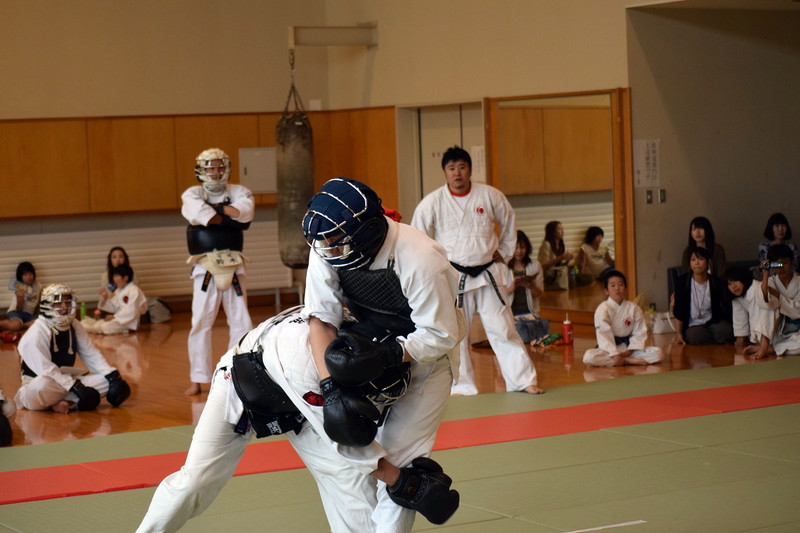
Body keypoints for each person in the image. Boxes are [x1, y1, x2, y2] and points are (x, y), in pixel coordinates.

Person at [136, 308, 460, 533]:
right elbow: (344, 439)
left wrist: (402, 472)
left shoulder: (376, 340)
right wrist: (404, 481)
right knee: (196, 481)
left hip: (299, 408)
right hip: (245, 385)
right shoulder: (306, 362)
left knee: (358, 500)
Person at [302, 176, 465, 530]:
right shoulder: (325, 247)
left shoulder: (420, 258)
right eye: (323, 243)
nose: (328, 249)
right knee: (357, 460)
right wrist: (330, 387)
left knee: (399, 465)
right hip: (366, 349)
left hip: (427, 361)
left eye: (335, 243)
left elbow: (441, 334)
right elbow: (321, 319)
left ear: (365, 233)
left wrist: (388, 355)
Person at [411, 146, 543, 395]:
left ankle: (523, 380)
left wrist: (504, 251)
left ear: (470, 169)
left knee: (503, 329)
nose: (457, 173)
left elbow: (509, 220)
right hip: (454, 275)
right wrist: (432, 263)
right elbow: (417, 234)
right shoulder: (433, 202)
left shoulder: (490, 196)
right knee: (457, 333)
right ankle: (461, 386)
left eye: (462, 167)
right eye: (452, 168)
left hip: (488, 273)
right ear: (445, 173)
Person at [182, 148, 254, 396]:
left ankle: (239, 371)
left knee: (240, 319)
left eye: (220, 167)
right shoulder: (193, 193)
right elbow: (202, 215)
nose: (216, 172)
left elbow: (245, 213)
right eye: (210, 168)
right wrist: (229, 216)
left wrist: (217, 213)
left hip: (234, 263)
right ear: (201, 171)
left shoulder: (239, 191)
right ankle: (198, 378)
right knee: (201, 320)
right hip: (205, 265)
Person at [13, 283, 131, 413]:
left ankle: (62, 403)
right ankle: (69, 401)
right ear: (47, 305)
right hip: (37, 388)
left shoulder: (74, 325)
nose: (64, 307)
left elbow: (90, 353)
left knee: (104, 381)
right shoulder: (36, 332)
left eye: (68, 302)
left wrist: (112, 376)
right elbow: (46, 371)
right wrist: (76, 387)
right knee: (42, 385)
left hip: (65, 384)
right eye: (58, 303)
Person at [583, 270, 664, 367]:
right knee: (589, 357)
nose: (617, 288)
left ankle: (624, 360)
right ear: (606, 291)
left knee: (658, 353)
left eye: (620, 285)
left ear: (625, 288)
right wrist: (614, 353)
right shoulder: (602, 309)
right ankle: (628, 361)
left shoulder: (634, 308)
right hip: (608, 349)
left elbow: (639, 332)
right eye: (612, 285)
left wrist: (629, 351)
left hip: (629, 348)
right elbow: (604, 334)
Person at [673, 247, 733, 345]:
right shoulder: (682, 282)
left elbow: (726, 306)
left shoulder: (716, 282)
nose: (697, 263)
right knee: (695, 336)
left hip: (713, 321)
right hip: (693, 325)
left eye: (700, 259)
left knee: (726, 331)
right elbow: (679, 309)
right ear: (690, 263)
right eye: (693, 260)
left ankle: (713, 340)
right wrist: (679, 333)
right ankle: (717, 342)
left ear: (708, 261)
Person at [504, 230, 549, 344]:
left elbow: (539, 294)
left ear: (527, 248)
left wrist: (531, 286)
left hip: (529, 312)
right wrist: (512, 288)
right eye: (516, 248)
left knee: (543, 327)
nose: (519, 251)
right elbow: (496, 294)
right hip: (510, 314)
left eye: (523, 247)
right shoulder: (503, 267)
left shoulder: (535, 266)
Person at [724, 265, 778, 359]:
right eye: (729, 283)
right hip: (762, 338)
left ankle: (767, 348)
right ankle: (763, 347)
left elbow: (760, 317)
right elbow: (739, 320)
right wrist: (740, 339)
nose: (733, 286)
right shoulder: (737, 297)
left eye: (736, 280)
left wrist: (760, 343)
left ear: (743, 278)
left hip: (775, 330)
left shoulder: (756, 288)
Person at [756, 244, 800, 356]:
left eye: (784, 263)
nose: (781, 268)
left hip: (796, 332)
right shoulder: (771, 281)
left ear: (792, 262)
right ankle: (764, 345)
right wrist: (765, 274)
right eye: (777, 264)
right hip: (776, 332)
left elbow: (798, 310)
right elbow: (765, 300)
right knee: (769, 305)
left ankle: (773, 349)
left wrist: (778, 295)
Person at [82, 264, 148, 334]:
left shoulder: (134, 290)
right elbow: (114, 307)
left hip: (129, 323)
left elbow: (132, 310)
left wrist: (114, 316)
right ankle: (91, 327)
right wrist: (106, 298)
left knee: (104, 326)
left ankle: (124, 330)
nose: (114, 279)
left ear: (125, 278)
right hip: (119, 319)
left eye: (116, 276)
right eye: (114, 276)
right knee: (96, 323)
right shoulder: (119, 291)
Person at [0, 261, 41, 333]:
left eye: (30, 273)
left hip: (29, 315)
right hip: (15, 311)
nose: (29, 277)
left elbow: (37, 302)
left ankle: (21, 325)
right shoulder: (19, 287)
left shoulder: (38, 285)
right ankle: (13, 325)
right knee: (16, 325)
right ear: (20, 277)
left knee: (41, 323)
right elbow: (18, 310)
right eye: (25, 275)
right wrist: (20, 298)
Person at [538, 220, 574, 290]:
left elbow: (560, 265)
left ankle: (573, 284)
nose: (563, 231)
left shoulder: (560, 244)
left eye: (563, 229)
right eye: (560, 229)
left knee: (574, 270)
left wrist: (568, 260)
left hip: (559, 275)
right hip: (550, 278)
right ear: (552, 231)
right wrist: (560, 257)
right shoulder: (546, 244)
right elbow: (543, 266)